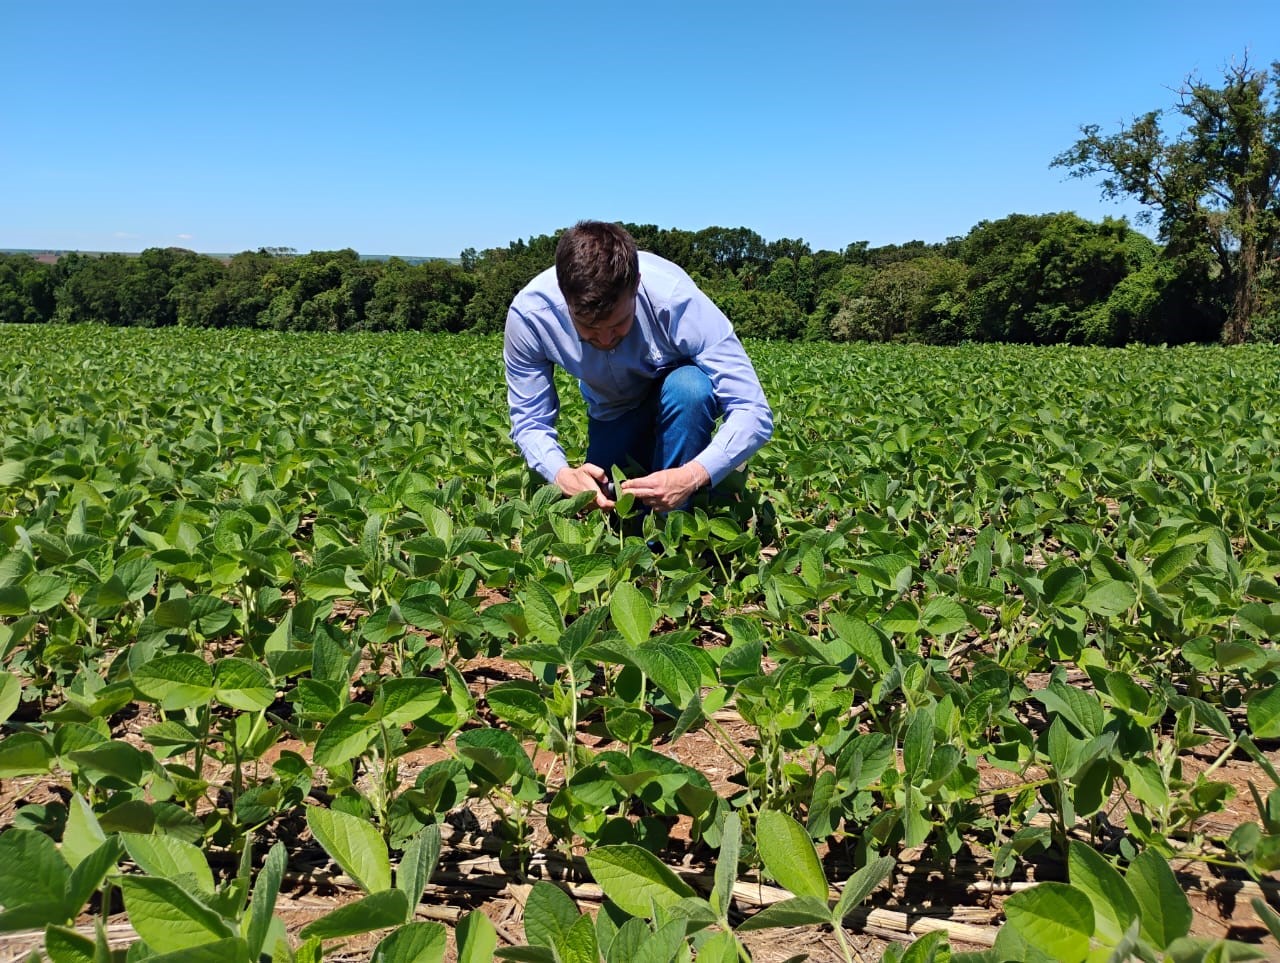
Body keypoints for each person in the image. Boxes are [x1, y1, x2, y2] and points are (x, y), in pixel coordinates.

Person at [503, 220, 773, 513]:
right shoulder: (531, 316)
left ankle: (672, 529)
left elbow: (752, 408)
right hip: (612, 415)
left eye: (619, 323)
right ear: (564, 295)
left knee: (690, 387)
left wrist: (691, 476)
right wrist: (562, 474)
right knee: (611, 508)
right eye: (589, 326)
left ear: (636, 284)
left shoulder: (674, 298)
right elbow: (530, 421)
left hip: (679, 409)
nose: (606, 339)